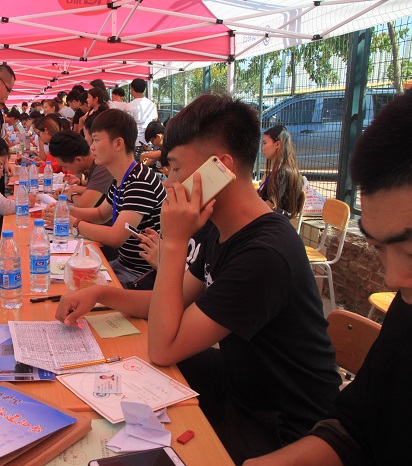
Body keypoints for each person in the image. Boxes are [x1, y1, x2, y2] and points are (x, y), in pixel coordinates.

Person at [56, 94, 341, 464]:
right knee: (113, 375)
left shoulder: (264, 254)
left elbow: (164, 346)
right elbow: (167, 303)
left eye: (175, 169)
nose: (169, 183)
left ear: (220, 168)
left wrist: (175, 243)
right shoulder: (217, 227)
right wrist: (99, 294)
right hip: (242, 383)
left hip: (282, 423)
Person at [245, 90, 412, 466]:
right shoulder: (406, 311)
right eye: (379, 248)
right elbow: (354, 430)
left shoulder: (268, 249)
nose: (393, 278)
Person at [45, 109, 165, 284]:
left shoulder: (140, 181)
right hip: (123, 264)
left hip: (140, 274)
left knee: (72, 286)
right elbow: (101, 214)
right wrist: (64, 211)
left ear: (118, 144)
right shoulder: (123, 177)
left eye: (96, 140)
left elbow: (115, 237)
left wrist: (73, 222)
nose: (91, 147)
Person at [49, 129, 113, 208]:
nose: (64, 170)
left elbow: (84, 204)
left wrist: (70, 195)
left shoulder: (102, 166)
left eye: (65, 166)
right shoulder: (92, 166)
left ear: (79, 160)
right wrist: (78, 185)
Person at [258, 125, 304, 218]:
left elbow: (270, 205)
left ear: (277, 144)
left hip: (273, 222)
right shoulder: (279, 171)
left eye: (265, 143)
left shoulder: (282, 173)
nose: (262, 148)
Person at [126, 78, 158, 160]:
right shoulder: (150, 104)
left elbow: (128, 125)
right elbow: (155, 119)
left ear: (132, 89)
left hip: (136, 141)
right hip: (149, 141)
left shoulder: (130, 106)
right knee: (147, 165)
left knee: (137, 165)